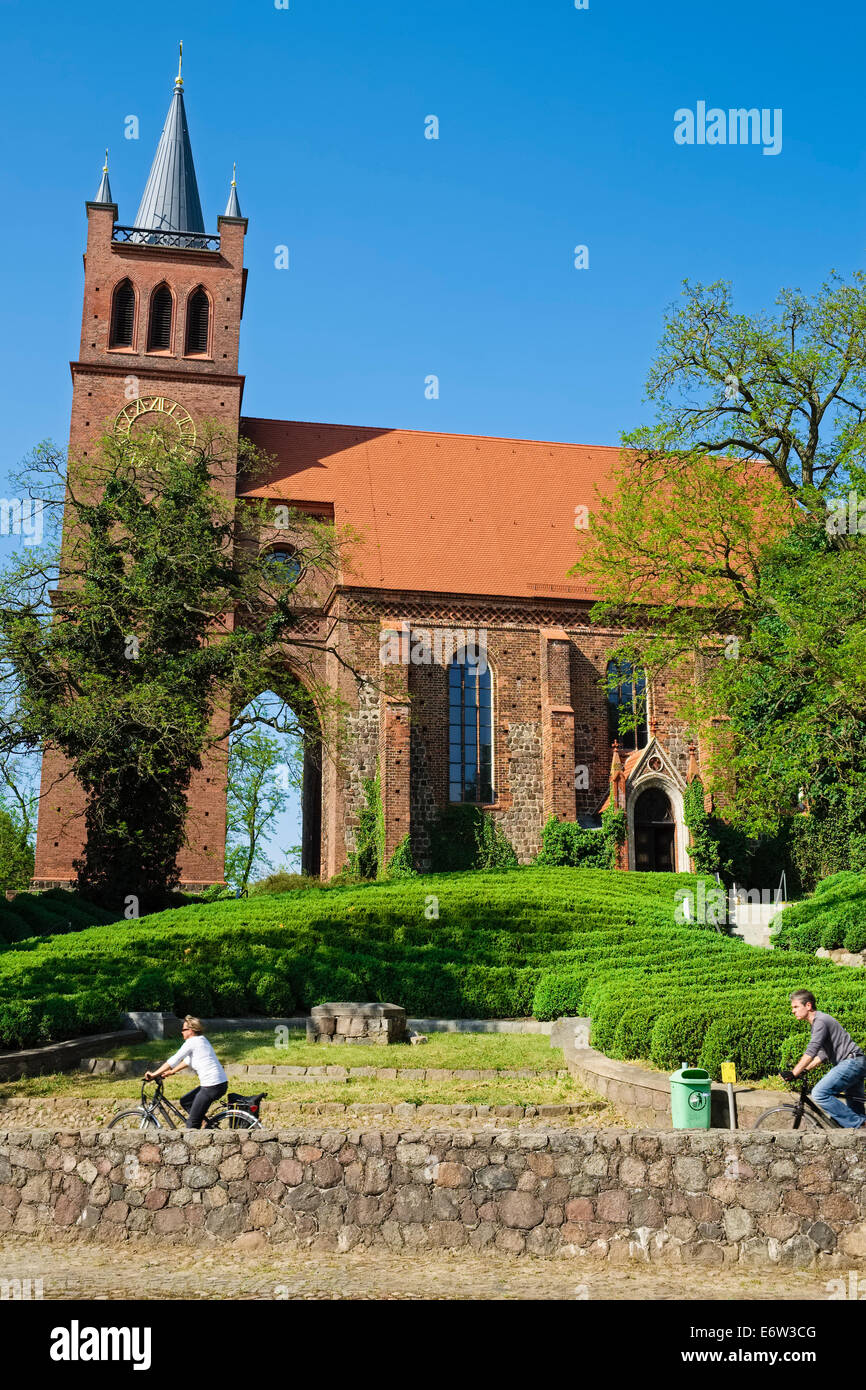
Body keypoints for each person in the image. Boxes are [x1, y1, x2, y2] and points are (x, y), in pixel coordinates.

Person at [784, 990, 866, 1130]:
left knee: (820, 1093)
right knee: (856, 1110)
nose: (793, 1011)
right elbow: (823, 1054)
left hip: (850, 1063)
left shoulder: (820, 1021)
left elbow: (812, 1050)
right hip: (855, 1062)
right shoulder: (819, 1021)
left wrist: (794, 1072)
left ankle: (859, 1124)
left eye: (796, 1007)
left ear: (808, 1005)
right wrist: (805, 1069)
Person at [144, 1016, 228, 1130]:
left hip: (211, 1086)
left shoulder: (192, 1042)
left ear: (191, 1031)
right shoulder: (202, 1040)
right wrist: (172, 1072)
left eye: (184, 1030)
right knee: (186, 1101)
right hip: (220, 1083)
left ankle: (199, 1129)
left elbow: (174, 1060)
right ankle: (207, 1126)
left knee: (191, 1124)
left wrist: (154, 1074)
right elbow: (188, 1061)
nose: (181, 1032)